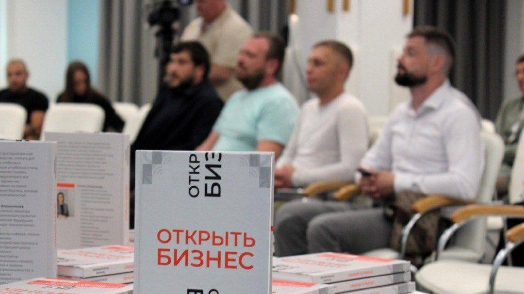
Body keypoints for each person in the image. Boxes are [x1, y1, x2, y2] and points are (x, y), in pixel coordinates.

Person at [274, 26, 484, 257]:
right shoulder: (402, 113)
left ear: (436, 63)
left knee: (323, 229)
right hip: (387, 209)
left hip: (424, 220)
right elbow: (367, 164)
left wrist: (396, 182)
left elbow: (465, 185)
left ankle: (326, 282)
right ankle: (295, 280)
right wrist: (368, 179)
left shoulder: (457, 114)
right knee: (290, 217)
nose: (400, 59)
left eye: (410, 53)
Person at [275, 40, 368, 189]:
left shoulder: (350, 108)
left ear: (342, 72)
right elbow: (289, 154)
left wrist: (296, 177)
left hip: (318, 193)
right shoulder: (307, 108)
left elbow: (351, 169)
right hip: (290, 188)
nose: (308, 69)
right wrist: (277, 173)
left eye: (318, 64)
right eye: (309, 62)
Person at [196, 32, 299, 159]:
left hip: (234, 171)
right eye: (241, 53)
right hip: (213, 169)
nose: (240, 60)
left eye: (250, 55)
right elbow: (207, 147)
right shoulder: (236, 97)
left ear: (271, 66)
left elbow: (261, 163)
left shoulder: (279, 102)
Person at [131, 41, 222, 162]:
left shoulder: (209, 102)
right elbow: (145, 134)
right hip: (143, 161)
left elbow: (193, 149)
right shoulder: (168, 91)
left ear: (200, 69)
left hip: (167, 165)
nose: (172, 68)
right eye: (172, 61)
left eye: (181, 62)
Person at [181, 0, 253, 101]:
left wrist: (182, 75)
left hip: (221, 103)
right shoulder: (193, 26)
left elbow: (221, 73)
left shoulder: (236, 28)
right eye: (196, 1)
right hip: (192, 101)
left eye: (202, 1)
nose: (198, 5)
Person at [495, 52, 524, 167]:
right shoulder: (509, 105)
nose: (520, 77)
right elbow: (497, 138)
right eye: (517, 73)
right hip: (500, 163)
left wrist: (500, 152)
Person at [0, 59, 49, 140]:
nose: (13, 79)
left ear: (27, 75)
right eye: (9, 75)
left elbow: (36, 128)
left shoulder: (38, 98)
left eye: (18, 74)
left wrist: (6, 130)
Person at [56, 61, 125, 132]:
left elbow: (119, 124)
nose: (82, 86)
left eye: (84, 81)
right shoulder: (62, 99)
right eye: (77, 83)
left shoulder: (99, 99)